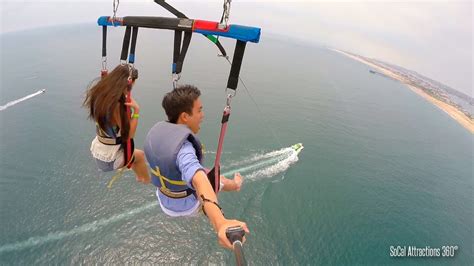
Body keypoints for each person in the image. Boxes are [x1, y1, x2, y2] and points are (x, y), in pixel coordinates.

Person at [144, 85, 247, 249]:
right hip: (185, 205)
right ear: (185, 116)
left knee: (203, 172)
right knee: (216, 180)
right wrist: (220, 222)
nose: (202, 115)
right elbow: (199, 181)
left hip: (165, 197)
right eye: (199, 110)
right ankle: (236, 185)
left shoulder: (156, 133)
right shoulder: (184, 150)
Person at [84, 64, 150, 184]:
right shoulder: (117, 107)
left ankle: (140, 175)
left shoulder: (101, 95)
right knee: (140, 156)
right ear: (129, 83)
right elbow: (129, 136)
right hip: (109, 160)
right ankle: (146, 180)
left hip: (99, 151)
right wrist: (136, 111)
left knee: (137, 154)